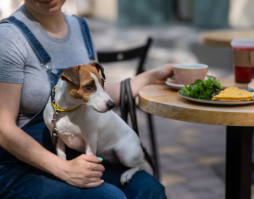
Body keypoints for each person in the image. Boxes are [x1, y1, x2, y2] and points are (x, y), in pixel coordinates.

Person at [0, 0, 173, 198]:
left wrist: (151, 77)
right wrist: (64, 169)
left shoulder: (80, 27)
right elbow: (3, 129)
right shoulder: (8, 38)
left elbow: (94, 97)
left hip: (79, 155)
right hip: (22, 166)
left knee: (150, 190)